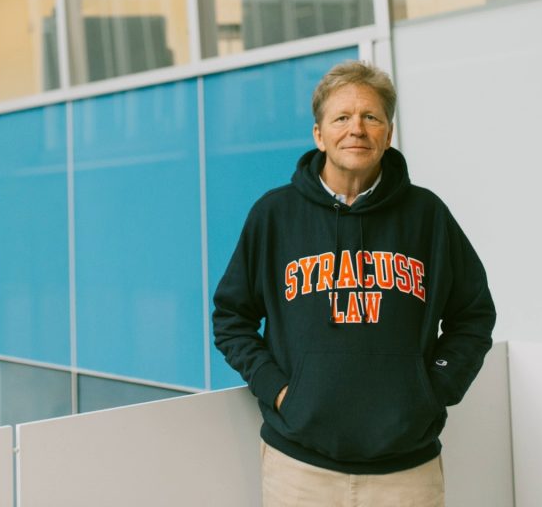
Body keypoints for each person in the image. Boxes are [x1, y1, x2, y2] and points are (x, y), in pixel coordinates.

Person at [212, 60, 496, 506]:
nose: (356, 129)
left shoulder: (428, 216)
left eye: (371, 117)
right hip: (299, 469)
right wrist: (280, 391)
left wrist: (432, 391)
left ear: (389, 132)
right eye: (341, 117)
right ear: (319, 135)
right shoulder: (275, 216)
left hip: (406, 471)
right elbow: (231, 317)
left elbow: (474, 316)